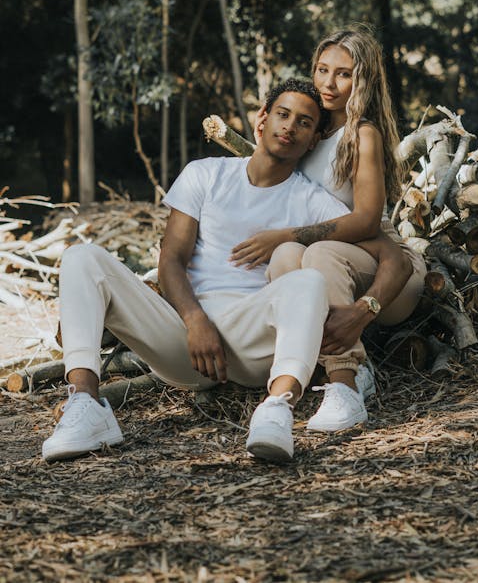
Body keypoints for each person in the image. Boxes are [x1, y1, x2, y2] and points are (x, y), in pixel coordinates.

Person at [43, 78, 394, 465]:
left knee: (308, 279)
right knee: (82, 257)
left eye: (305, 123)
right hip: (185, 342)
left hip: (255, 344)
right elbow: (171, 259)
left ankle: (277, 408)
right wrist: (195, 320)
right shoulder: (205, 174)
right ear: (262, 119)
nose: (290, 127)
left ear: (313, 141)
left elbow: (391, 256)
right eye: (282, 114)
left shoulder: (312, 201)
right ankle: (86, 406)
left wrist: (365, 309)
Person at [230, 26, 426, 432]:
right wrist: (265, 141)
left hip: (387, 268)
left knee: (313, 252)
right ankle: (342, 368)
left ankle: (344, 388)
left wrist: (285, 235)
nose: (329, 83)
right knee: (287, 258)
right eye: (322, 70)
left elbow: (366, 221)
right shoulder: (312, 132)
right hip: (338, 263)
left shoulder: (362, 134)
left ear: (363, 79)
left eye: (343, 73)